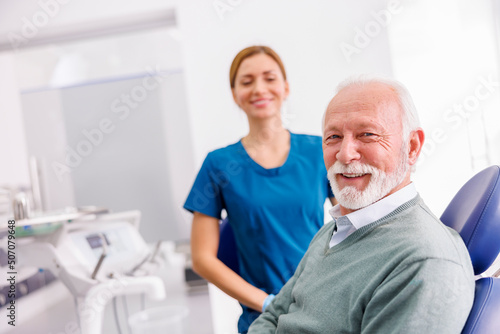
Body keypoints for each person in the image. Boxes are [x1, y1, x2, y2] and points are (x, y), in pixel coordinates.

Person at [248, 76, 475, 333]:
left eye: (367, 134)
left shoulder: (423, 262)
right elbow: (274, 316)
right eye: (333, 137)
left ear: (411, 147)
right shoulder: (334, 231)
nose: (345, 154)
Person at [183, 46, 335, 333]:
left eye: (269, 78)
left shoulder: (319, 151)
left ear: (285, 87)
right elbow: (202, 259)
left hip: (322, 306)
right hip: (264, 319)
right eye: (247, 81)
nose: (259, 88)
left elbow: (355, 224)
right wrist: (268, 303)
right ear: (234, 94)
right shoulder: (219, 165)